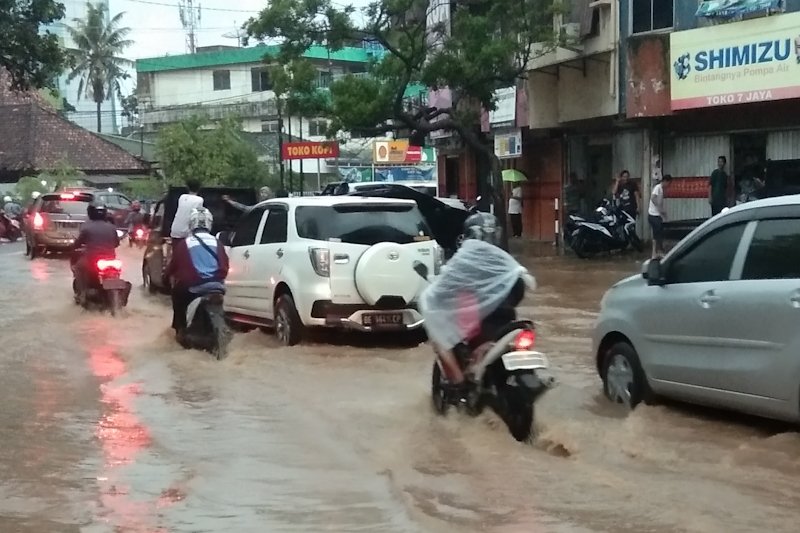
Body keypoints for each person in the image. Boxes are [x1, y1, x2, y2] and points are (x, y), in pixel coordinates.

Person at [420, 212, 531, 402]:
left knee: (439, 341)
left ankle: (459, 384)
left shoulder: (463, 263)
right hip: (505, 324)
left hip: (475, 330)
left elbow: (440, 291)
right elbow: (519, 291)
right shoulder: (505, 263)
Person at [166, 207, 229, 339]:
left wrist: (165, 277)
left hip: (193, 287)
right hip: (217, 286)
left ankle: (180, 329)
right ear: (209, 223)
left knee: (177, 296)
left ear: (191, 224)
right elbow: (225, 265)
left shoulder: (184, 244)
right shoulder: (217, 242)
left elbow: (173, 266)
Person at [72, 202, 120, 304]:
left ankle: (82, 295)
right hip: (111, 260)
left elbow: (77, 244)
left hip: (92, 260)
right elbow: (116, 243)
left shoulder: (86, 227)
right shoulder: (112, 227)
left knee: (78, 268)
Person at [648, 174, 672, 259]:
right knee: (656, 234)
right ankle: (655, 253)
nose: (668, 186)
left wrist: (663, 212)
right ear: (665, 181)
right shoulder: (658, 188)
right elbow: (653, 198)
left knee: (658, 234)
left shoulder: (661, 189)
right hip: (653, 215)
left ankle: (658, 252)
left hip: (657, 215)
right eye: (669, 183)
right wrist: (658, 207)